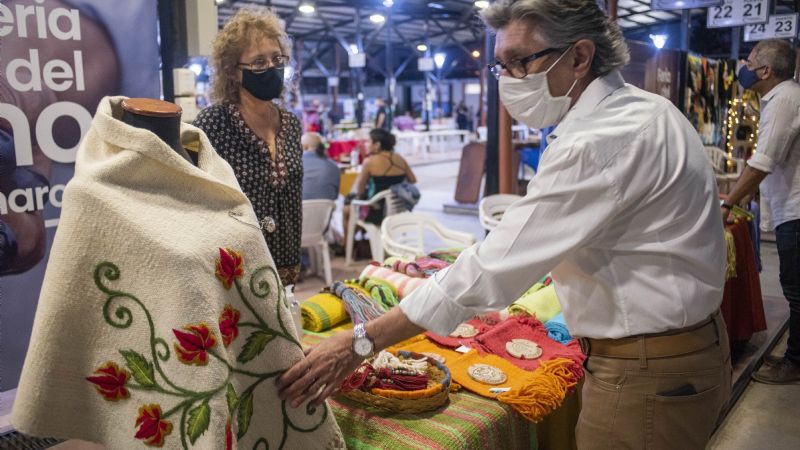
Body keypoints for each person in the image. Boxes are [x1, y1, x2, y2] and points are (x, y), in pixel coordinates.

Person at [277, 1, 730, 449]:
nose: (508, 81)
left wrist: (361, 342)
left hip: (646, 371)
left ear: (579, 56)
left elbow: (492, 269)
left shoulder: (598, 140)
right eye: (500, 66)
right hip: (677, 354)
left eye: (520, 62)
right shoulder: (648, 110)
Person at [194, 8, 304, 286]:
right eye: (258, 62)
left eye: (277, 59)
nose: (271, 68)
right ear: (233, 71)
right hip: (235, 270)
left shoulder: (291, 124)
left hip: (287, 267)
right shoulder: (213, 124)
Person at [722, 39, 800, 384]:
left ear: (766, 70)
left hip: (796, 211)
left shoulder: (784, 99)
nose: (744, 66)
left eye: (750, 61)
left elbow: (764, 161)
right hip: (789, 207)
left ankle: (795, 362)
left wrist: (728, 203)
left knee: (795, 289)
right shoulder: (782, 97)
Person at [342, 129, 417, 245]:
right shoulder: (399, 158)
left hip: (377, 211)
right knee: (355, 209)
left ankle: (347, 246)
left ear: (377, 145)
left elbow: (360, 190)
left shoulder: (370, 162)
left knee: (347, 209)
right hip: (397, 210)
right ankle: (364, 243)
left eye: (368, 142)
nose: (366, 145)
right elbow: (413, 180)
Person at [301, 132, 340, 201]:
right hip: (326, 210)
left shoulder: (295, 164)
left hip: (298, 209)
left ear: (305, 147)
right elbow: (335, 195)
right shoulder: (334, 166)